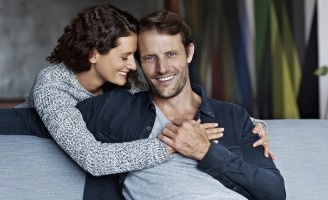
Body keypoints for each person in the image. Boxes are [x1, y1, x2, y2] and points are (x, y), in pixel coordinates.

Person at [0, 4, 273, 199]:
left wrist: (253, 124)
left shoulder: (122, 84)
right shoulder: (53, 86)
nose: (134, 66)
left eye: (136, 56)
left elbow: (166, 99)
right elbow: (94, 159)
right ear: (95, 55)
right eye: (127, 56)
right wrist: (172, 144)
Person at [73, 10, 285, 200]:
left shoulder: (232, 116)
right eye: (149, 58)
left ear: (189, 53)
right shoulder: (115, 107)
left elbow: (275, 192)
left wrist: (206, 152)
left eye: (171, 54)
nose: (162, 68)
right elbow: (46, 120)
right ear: (139, 63)